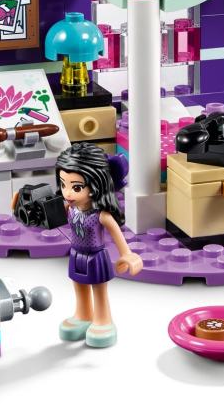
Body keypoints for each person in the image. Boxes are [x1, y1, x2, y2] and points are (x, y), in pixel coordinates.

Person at [55, 143, 143, 348]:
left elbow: (117, 234)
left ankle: (103, 320)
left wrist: (127, 254)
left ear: (96, 185)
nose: (67, 193)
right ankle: (83, 315)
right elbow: (46, 216)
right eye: (63, 184)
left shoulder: (101, 215)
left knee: (98, 290)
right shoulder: (69, 208)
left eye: (76, 187)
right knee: (78, 285)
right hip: (76, 254)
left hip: (95, 256)